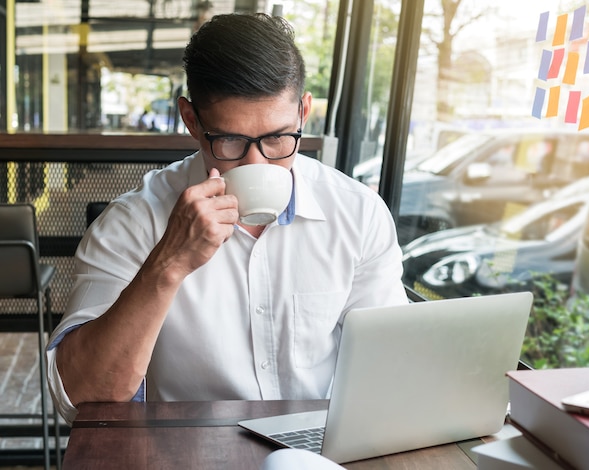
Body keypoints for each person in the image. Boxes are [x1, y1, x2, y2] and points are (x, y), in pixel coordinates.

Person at [46, 13, 407, 424]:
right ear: (192, 121)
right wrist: (168, 264)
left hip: (317, 447)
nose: (257, 161)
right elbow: (77, 396)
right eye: (231, 140)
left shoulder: (357, 213)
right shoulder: (134, 221)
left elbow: (391, 361)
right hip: (189, 450)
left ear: (303, 112)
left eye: (277, 138)